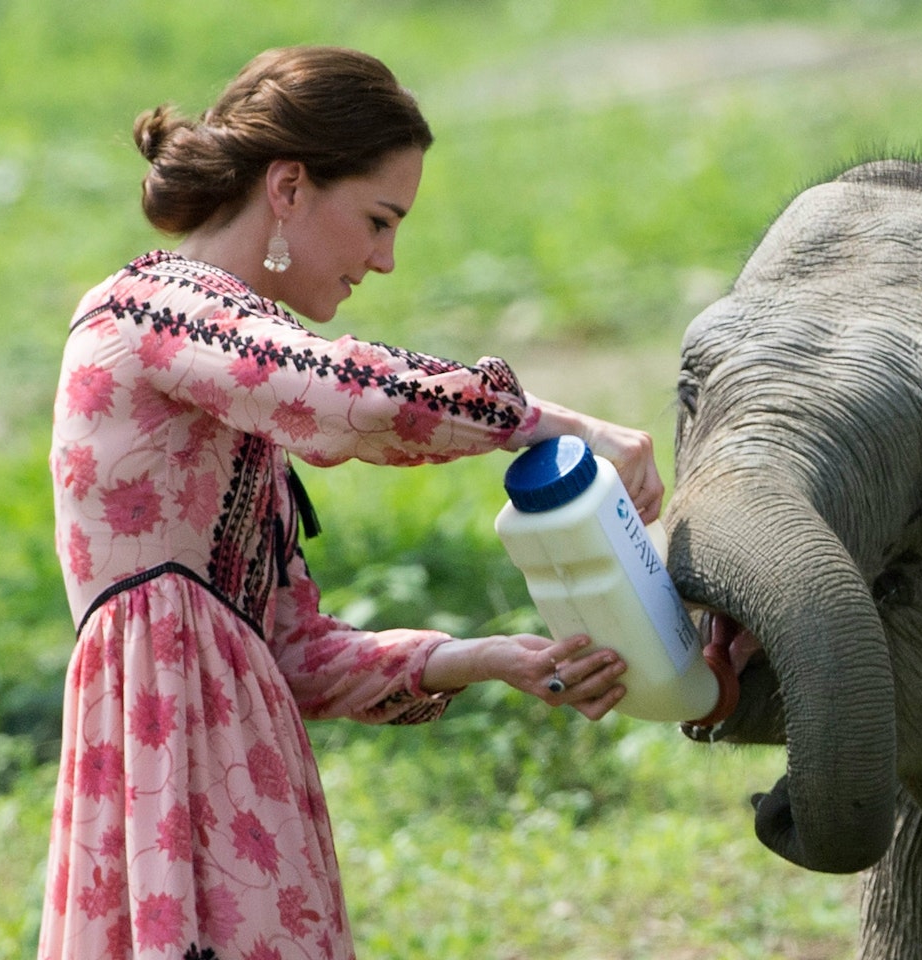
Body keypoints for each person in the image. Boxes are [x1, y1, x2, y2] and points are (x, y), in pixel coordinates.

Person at [39, 45, 663, 960]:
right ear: (288, 188)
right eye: (377, 220)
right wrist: (547, 425)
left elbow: (291, 650)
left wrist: (489, 659)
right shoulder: (151, 313)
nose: (385, 259)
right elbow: (356, 398)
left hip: (242, 784)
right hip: (167, 776)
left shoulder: (232, 384)